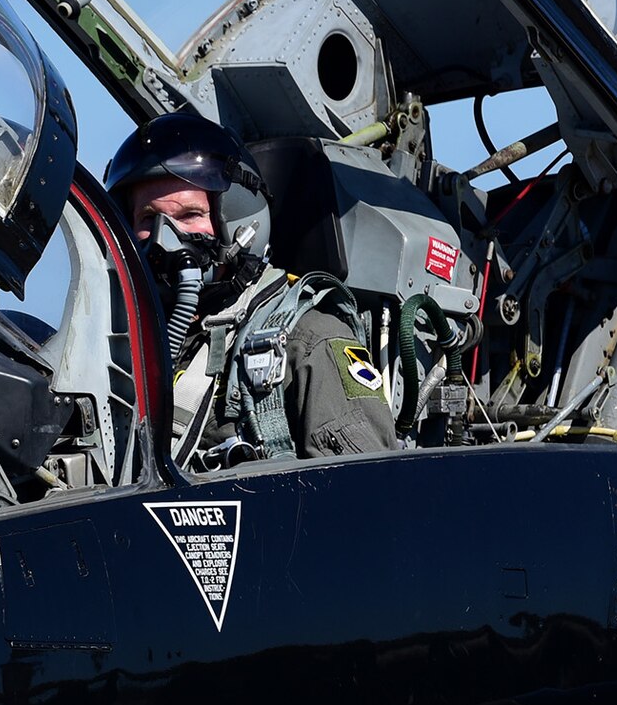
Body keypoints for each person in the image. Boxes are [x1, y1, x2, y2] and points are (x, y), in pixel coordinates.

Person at [104, 110, 398, 466]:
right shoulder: (115, 342)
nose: (166, 238)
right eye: (148, 218)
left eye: (189, 216)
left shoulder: (311, 343)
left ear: (240, 222)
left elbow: (367, 496)